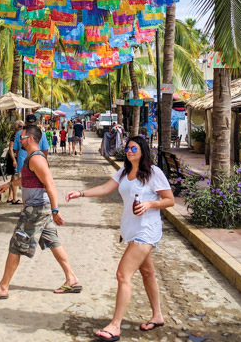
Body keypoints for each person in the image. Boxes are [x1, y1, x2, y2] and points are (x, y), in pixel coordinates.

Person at [66, 135, 175, 341]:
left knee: (123, 275)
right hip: (131, 230)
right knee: (147, 273)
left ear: (142, 151)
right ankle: (158, 316)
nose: (129, 151)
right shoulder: (124, 172)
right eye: (127, 148)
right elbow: (105, 188)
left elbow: (169, 200)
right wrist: (80, 193)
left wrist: (150, 204)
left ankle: (115, 326)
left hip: (146, 231)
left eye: (134, 148)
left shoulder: (153, 173)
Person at [0, 125, 81, 299]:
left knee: (16, 243)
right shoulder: (31, 158)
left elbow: (50, 184)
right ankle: (71, 278)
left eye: (22, 137)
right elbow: (28, 180)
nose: (20, 140)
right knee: (52, 241)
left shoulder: (36, 159)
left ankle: (3, 287)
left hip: (35, 209)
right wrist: (10, 184)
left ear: (31, 139)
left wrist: (56, 210)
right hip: (39, 208)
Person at [13, 115, 49, 187]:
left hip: (22, 163)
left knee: (24, 188)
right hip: (38, 164)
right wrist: (44, 161)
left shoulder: (19, 133)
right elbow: (45, 150)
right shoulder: (41, 133)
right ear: (36, 122)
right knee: (35, 187)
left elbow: (16, 149)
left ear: (26, 122)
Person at [6, 120, 23, 204]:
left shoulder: (20, 135)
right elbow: (10, 149)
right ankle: (14, 198)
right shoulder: (15, 135)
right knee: (15, 177)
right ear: (16, 127)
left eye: (23, 126)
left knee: (13, 178)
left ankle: (10, 196)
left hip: (16, 159)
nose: (22, 128)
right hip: (14, 159)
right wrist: (14, 160)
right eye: (20, 126)